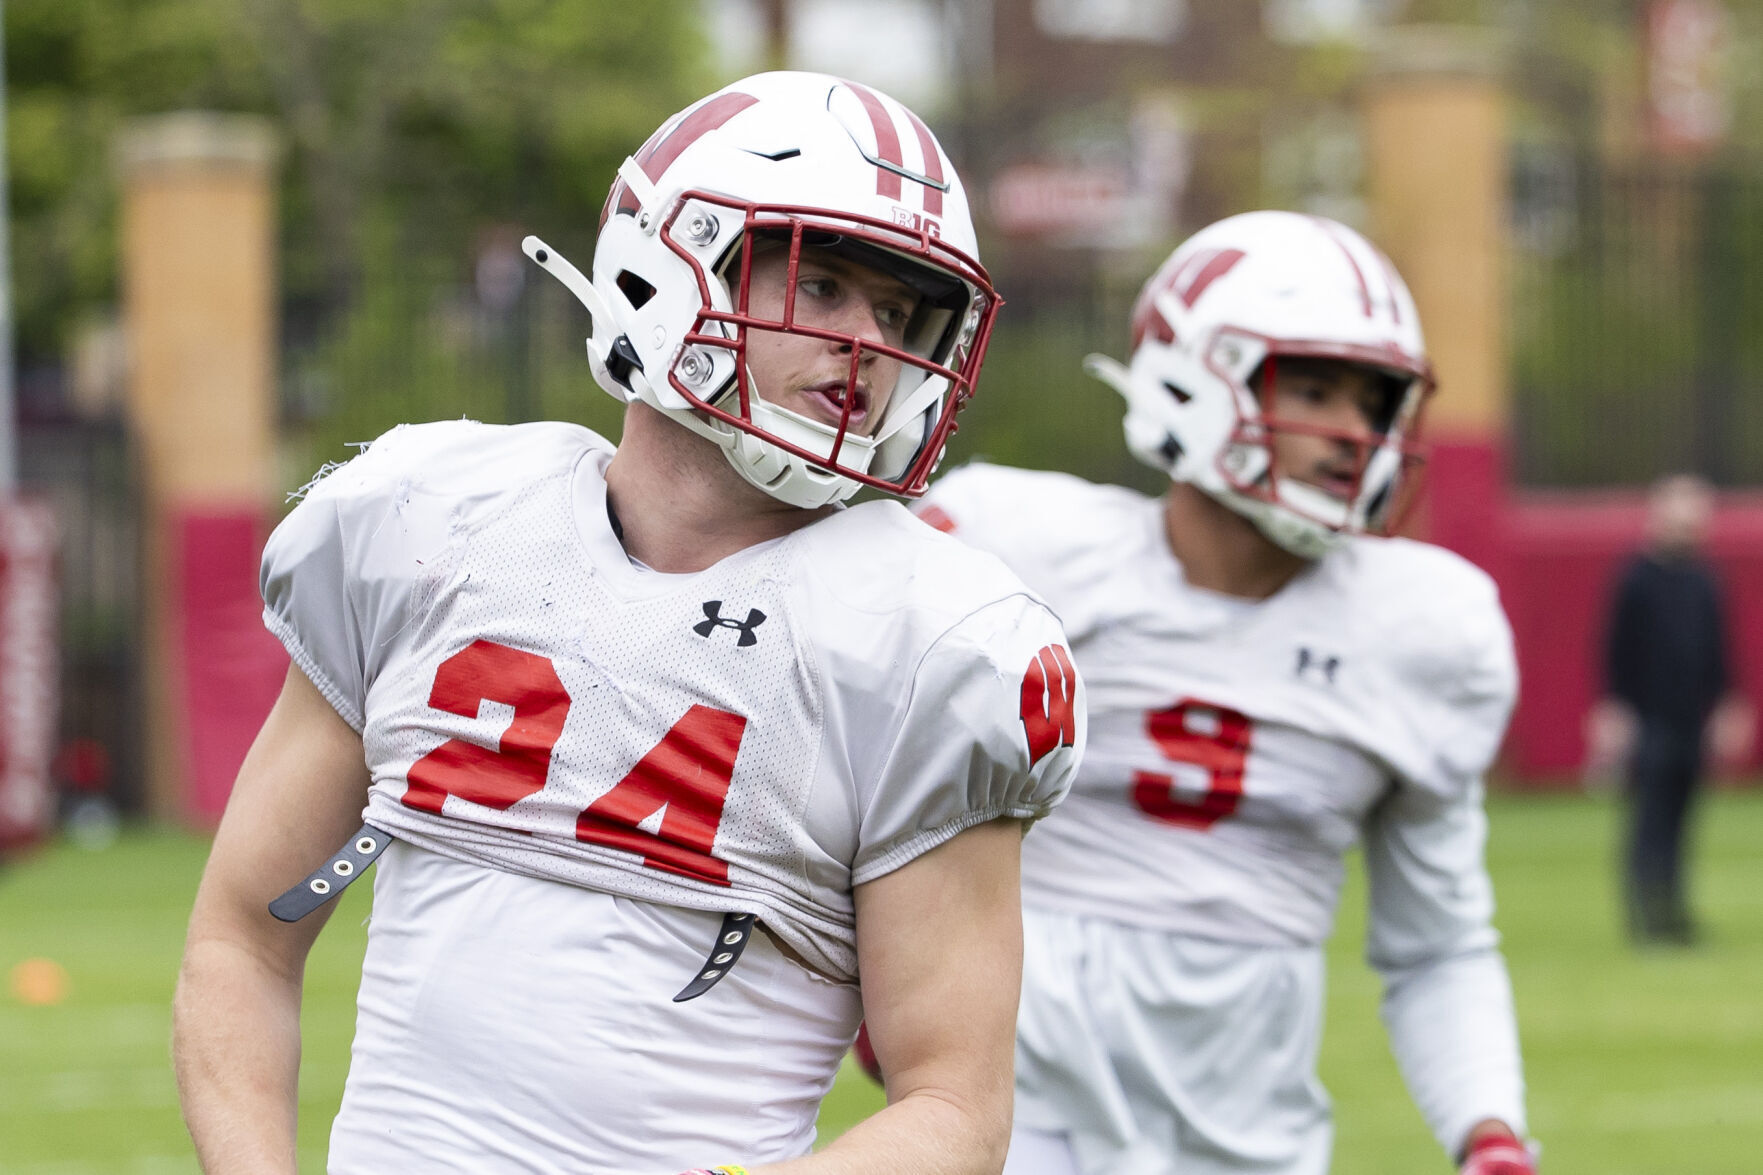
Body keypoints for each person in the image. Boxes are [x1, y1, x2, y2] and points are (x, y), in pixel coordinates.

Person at [172, 71, 1084, 1175]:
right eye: (825, 284)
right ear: (668, 261)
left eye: (897, 312)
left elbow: (954, 1105)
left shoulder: (925, 641)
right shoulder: (430, 523)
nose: (868, 342)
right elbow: (242, 939)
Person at [915, 211, 1535, 1175]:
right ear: (1190, 378)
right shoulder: (1019, 550)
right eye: (1315, 389)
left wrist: (1488, 1131)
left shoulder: (1422, 632)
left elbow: (1437, 942)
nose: (1354, 435)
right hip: (1014, 1115)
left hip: (1251, 1140)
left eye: (1373, 402)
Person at [1585, 473, 1751, 945]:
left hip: (1690, 718)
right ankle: (1646, 914)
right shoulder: (1636, 578)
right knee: (1649, 819)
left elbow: (1719, 649)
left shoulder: (1704, 578)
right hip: (1648, 717)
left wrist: (1728, 704)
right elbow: (1614, 651)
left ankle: (1674, 911)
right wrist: (1613, 712)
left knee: (1681, 818)